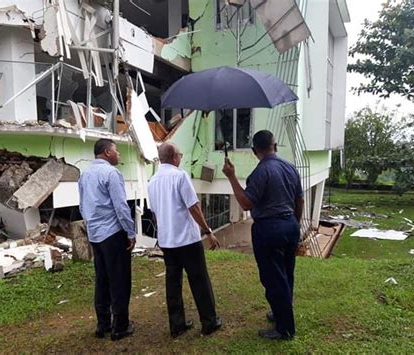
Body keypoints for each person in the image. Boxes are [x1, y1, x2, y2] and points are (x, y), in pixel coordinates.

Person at [222, 130, 304, 340]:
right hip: (290, 225)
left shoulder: (261, 172)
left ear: (254, 151)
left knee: (273, 278)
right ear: (275, 146)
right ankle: (280, 312)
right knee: (286, 273)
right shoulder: (290, 168)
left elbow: (247, 203)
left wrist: (231, 177)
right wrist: (295, 223)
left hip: (269, 230)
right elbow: (300, 201)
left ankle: (284, 328)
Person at [148, 142, 223, 338]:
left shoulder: (152, 181)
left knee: (173, 283)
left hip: (167, 241)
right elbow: (194, 207)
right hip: (187, 240)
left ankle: (177, 325)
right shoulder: (180, 176)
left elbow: (155, 213)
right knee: (199, 280)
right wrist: (207, 231)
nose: (181, 157)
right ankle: (209, 322)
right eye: (180, 154)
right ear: (174, 157)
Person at [78, 138, 136, 341]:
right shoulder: (111, 173)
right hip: (112, 233)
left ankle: (102, 324)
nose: (119, 154)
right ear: (107, 152)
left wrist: (91, 226)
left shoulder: (84, 174)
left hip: (95, 234)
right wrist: (130, 232)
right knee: (119, 280)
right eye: (116, 150)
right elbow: (120, 207)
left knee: (102, 279)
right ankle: (120, 326)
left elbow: (82, 205)